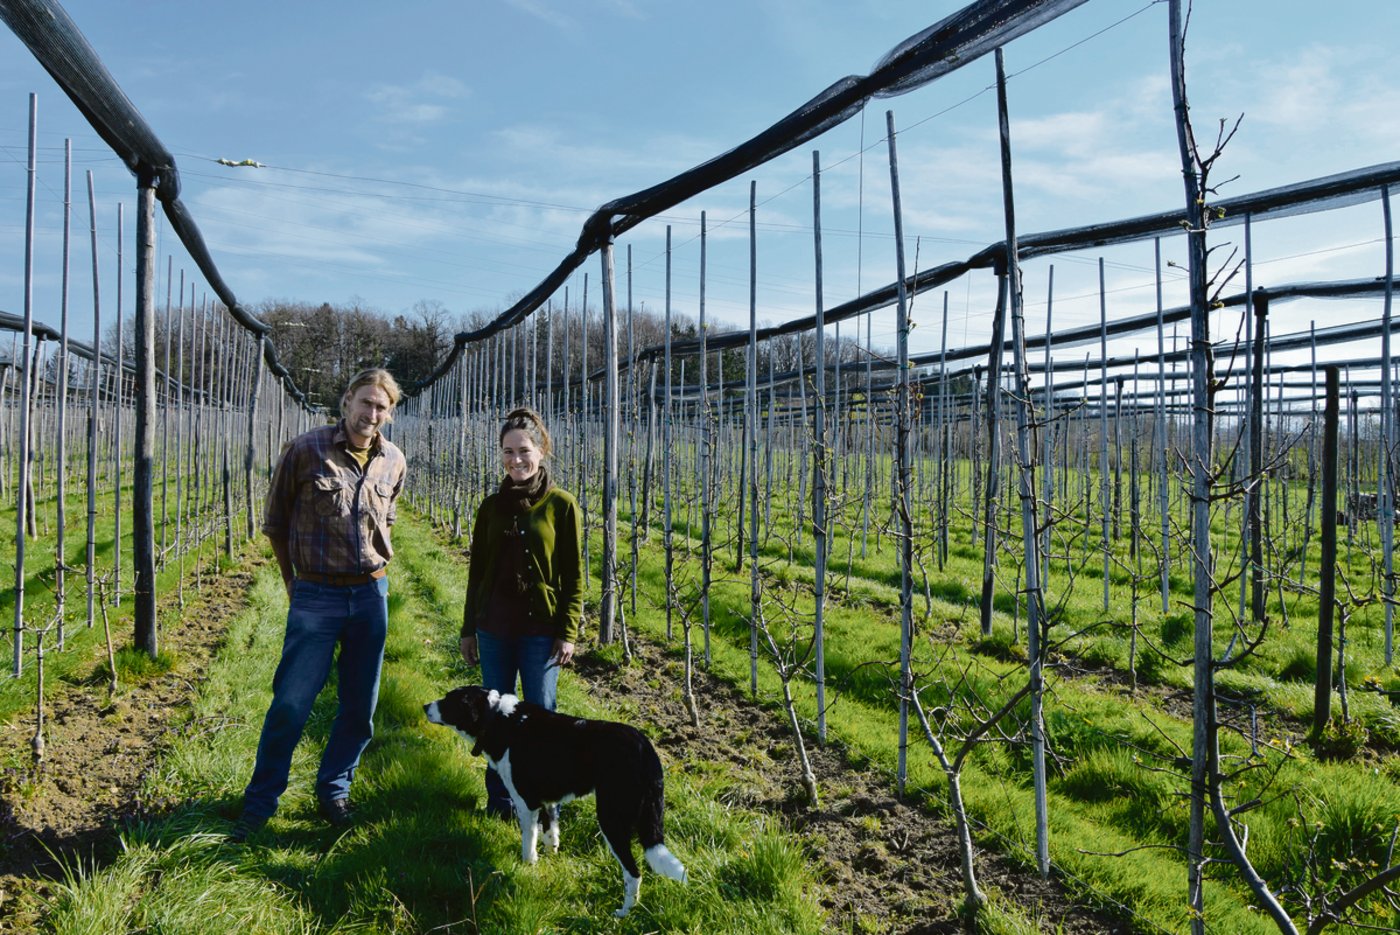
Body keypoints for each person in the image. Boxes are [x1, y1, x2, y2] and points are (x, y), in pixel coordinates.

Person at [232, 367, 407, 840]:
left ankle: (334, 791)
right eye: (366, 402)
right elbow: (275, 523)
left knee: (360, 706)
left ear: (390, 413)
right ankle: (260, 802)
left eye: (382, 407)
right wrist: (292, 582)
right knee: (292, 703)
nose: (372, 413)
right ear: (347, 400)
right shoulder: (306, 449)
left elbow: (387, 520)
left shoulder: (393, 460)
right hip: (316, 593)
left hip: (370, 594)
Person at [459, 407, 584, 819]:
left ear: (541, 450)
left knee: (542, 718)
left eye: (524, 450)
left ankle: (546, 806)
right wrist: (469, 629)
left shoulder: (562, 506)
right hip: (494, 628)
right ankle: (500, 802)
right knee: (494, 717)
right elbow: (477, 573)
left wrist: (567, 632)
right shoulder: (491, 507)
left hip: (540, 631)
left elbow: (574, 576)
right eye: (508, 452)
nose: (516, 460)